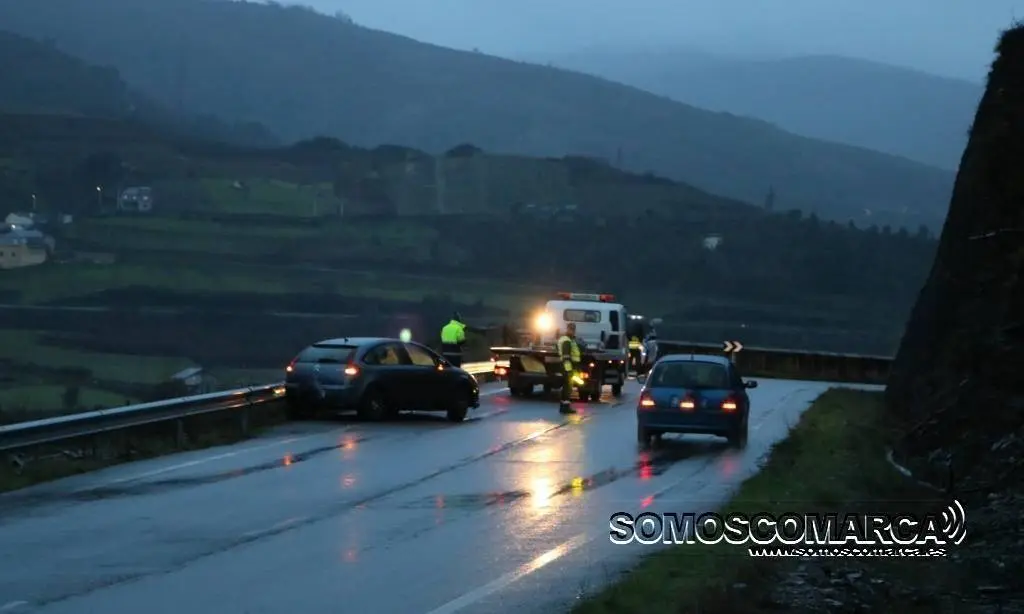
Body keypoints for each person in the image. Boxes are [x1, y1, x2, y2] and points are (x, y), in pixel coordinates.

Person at [557, 323, 581, 414]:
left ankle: (563, 406)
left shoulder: (568, 339)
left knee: (566, 387)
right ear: (567, 329)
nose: (573, 331)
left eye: (573, 329)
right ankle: (565, 407)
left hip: (567, 366)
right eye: (571, 329)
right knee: (567, 388)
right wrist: (569, 370)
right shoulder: (567, 341)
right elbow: (566, 357)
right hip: (567, 367)